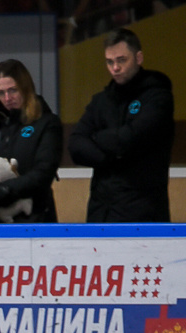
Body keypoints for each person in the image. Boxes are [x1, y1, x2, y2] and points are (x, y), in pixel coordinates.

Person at [68, 27, 174, 222]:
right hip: (100, 211)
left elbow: (131, 138)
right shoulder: (100, 101)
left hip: (143, 212)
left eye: (121, 60)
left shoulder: (157, 98)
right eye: (110, 62)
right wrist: (112, 156)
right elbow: (75, 145)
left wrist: (96, 139)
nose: (115, 68)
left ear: (138, 58)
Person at [0, 59, 63, 223]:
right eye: (1, 93)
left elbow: (44, 172)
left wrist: (7, 189)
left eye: (13, 90)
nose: (7, 98)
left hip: (31, 217)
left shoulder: (46, 123)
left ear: (25, 88)